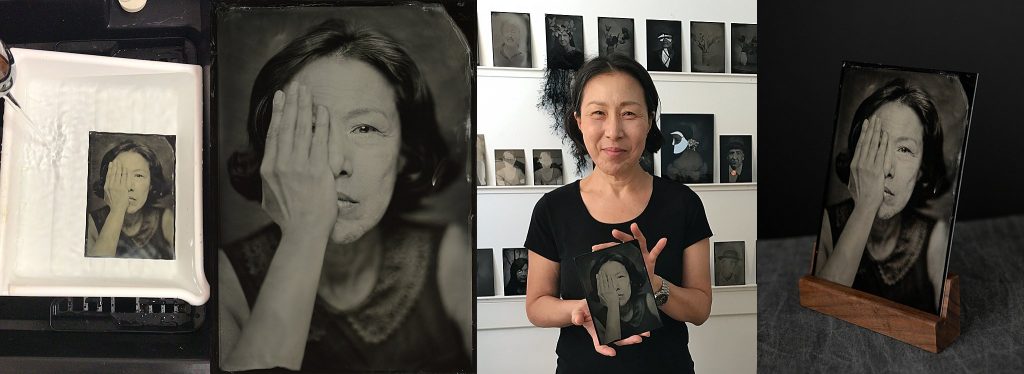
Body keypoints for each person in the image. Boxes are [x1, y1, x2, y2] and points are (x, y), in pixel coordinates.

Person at [219, 19, 470, 372]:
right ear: (271, 154)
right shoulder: (224, 280)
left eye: (365, 128)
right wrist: (305, 230)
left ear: (405, 153)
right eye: (307, 129)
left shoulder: (450, 259)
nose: (336, 162)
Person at [524, 54, 713, 373]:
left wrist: (655, 285)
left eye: (629, 113)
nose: (613, 131)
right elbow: (536, 306)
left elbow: (700, 309)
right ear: (579, 121)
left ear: (649, 119)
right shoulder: (552, 209)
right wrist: (582, 311)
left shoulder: (684, 203)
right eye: (598, 113)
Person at [816, 78, 950, 314]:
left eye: (905, 150)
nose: (886, 167)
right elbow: (822, 311)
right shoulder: (826, 225)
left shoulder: (935, 237)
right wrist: (866, 206)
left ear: (921, 170)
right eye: (877, 143)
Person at [85, 140, 174, 260]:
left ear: (151, 184)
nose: (129, 186)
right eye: (120, 175)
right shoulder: (92, 222)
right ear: (107, 183)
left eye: (138, 175)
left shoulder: (166, 219)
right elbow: (96, 272)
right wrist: (117, 210)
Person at [589, 252, 660, 344]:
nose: (615, 286)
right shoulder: (597, 320)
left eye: (620, 276)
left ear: (630, 279)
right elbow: (611, 344)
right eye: (607, 281)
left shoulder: (648, 300)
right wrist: (612, 304)